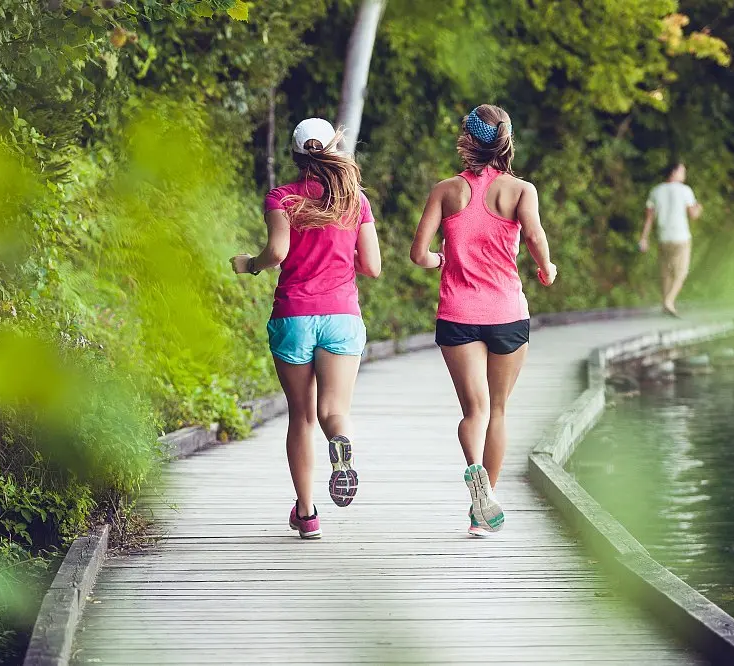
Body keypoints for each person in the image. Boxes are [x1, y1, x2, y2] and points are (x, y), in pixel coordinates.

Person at [231, 118, 381, 540]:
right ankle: (341, 442)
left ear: (296, 156)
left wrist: (249, 265)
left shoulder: (282, 197)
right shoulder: (356, 202)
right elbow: (372, 266)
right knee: (334, 411)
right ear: (334, 147)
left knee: (300, 417)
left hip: (294, 315)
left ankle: (308, 513)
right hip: (341, 316)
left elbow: (276, 252)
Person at [409, 104, 556, 536]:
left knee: (472, 410)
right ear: (507, 141)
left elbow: (418, 254)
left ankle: (473, 471)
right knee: (498, 411)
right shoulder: (521, 191)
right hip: (507, 313)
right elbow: (533, 235)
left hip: (458, 312)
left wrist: (440, 260)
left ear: (468, 140)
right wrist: (546, 267)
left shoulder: (445, 191)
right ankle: (482, 509)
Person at [639, 162, 703, 317]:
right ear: (673, 172)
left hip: (663, 237)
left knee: (666, 272)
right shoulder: (685, 191)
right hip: (681, 237)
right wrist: (699, 208)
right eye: (682, 171)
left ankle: (665, 304)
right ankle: (669, 301)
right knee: (681, 272)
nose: (684, 175)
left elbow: (649, 218)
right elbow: (693, 215)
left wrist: (644, 238)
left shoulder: (656, 191)